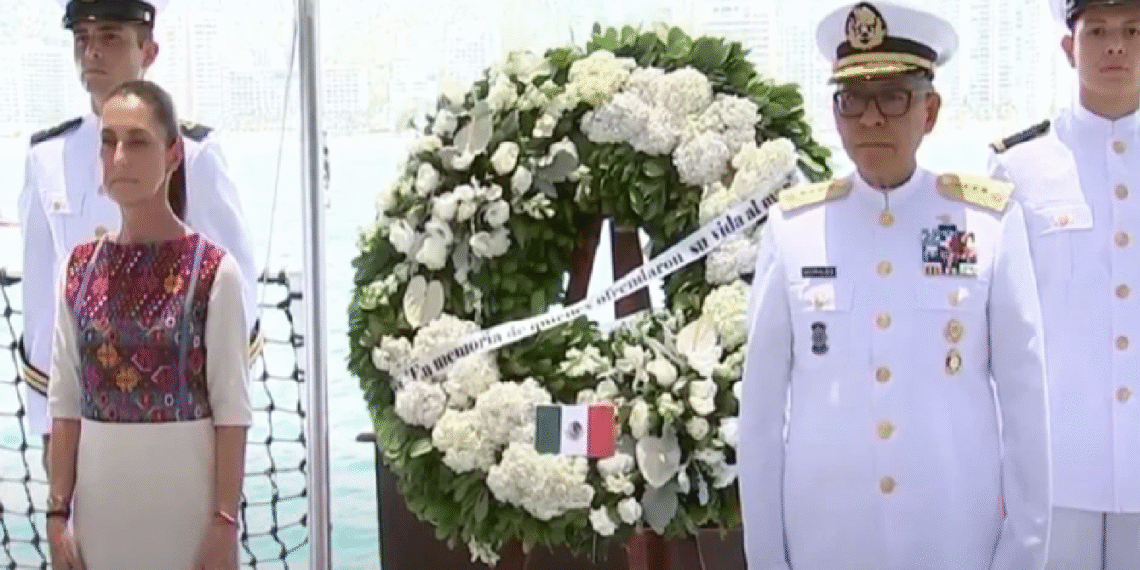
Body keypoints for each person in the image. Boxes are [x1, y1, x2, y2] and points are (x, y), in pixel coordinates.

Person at [737, 1, 1053, 569]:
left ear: (929, 111)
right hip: (827, 538)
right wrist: (766, 558)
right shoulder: (793, 228)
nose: (872, 118)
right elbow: (759, 419)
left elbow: (1026, 403)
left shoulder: (985, 222)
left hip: (953, 535)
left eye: (893, 96)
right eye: (852, 100)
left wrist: (1023, 555)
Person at [17, 0, 261, 471]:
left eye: (110, 37)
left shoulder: (194, 154)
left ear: (148, 50)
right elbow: (42, 307)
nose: (91, 53)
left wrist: (221, 419)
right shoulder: (47, 159)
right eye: (81, 39)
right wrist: (49, 428)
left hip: (180, 415)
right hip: (87, 417)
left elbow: (238, 296)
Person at [45, 80, 250, 570]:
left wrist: (225, 522)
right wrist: (57, 515)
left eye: (137, 141)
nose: (119, 157)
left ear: (174, 154)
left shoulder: (212, 270)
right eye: (108, 141)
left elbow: (231, 409)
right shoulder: (79, 269)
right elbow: (65, 402)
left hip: (189, 520)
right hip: (100, 518)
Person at [988, 0, 1140, 567]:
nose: (1116, 46)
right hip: (1056, 467)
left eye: (1132, 30)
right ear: (1068, 47)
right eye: (1097, 30)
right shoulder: (1021, 167)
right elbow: (997, 323)